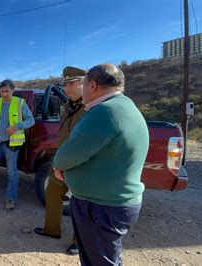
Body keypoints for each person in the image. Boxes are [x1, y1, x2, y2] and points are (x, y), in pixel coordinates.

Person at [52, 64, 149, 265]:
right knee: (107, 259)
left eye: (82, 83)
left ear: (92, 85)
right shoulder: (125, 106)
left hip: (101, 207)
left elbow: (64, 157)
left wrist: (60, 167)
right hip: (112, 203)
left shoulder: (103, 112)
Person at [34, 66, 86, 255]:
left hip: (82, 163)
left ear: (84, 84)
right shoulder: (67, 107)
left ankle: (78, 242)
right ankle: (52, 230)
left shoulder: (92, 108)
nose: (67, 88)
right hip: (62, 159)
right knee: (52, 192)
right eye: (65, 84)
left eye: (72, 83)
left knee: (80, 203)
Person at [0, 79, 34, 210]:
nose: (4, 94)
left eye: (7, 91)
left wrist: (17, 126)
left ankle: (10, 199)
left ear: (13, 91)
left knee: (11, 173)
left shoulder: (20, 103)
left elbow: (30, 120)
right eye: (2, 91)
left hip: (11, 145)